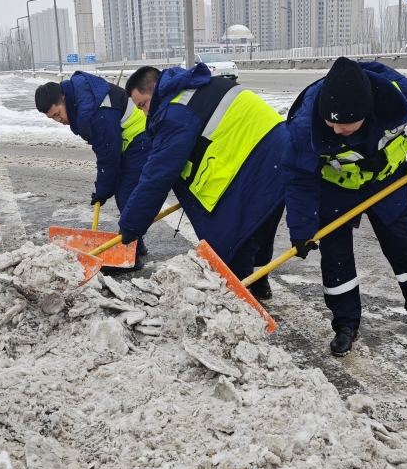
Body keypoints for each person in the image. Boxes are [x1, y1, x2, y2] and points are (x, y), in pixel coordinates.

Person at [282, 57, 407, 357]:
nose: (334, 129)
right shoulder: (305, 123)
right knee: (336, 258)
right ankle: (345, 324)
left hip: (386, 180)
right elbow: (299, 177)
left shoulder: (404, 96)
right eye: (330, 121)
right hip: (334, 188)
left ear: (366, 111)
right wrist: (302, 228)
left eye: (344, 123)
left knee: (404, 243)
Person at [121, 64, 287, 299]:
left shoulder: (177, 111)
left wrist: (130, 227)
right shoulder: (196, 87)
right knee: (260, 226)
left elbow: (157, 175)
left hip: (258, 159)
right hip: (279, 153)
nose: (145, 113)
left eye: (144, 104)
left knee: (232, 238)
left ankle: (237, 300)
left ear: (156, 88)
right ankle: (258, 283)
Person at [34, 72, 151, 263]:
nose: (59, 121)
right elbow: (105, 152)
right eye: (53, 118)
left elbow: (108, 155)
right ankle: (136, 240)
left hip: (142, 137)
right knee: (124, 191)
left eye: (57, 114)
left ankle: (132, 249)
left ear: (64, 98)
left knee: (126, 194)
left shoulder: (95, 112)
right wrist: (103, 188)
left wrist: (103, 191)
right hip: (127, 142)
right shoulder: (83, 101)